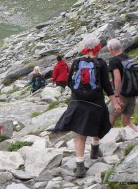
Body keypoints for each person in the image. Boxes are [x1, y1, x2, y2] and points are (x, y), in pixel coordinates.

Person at [54, 37, 121, 178]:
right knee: (98, 122)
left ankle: (80, 167)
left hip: (77, 101)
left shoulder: (77, 62)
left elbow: (69, 82)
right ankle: (95, 150)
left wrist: (78, 94)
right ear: (98, 48)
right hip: (95, 102)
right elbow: (106, 86)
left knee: (80, 134)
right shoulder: (101, 63)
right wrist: (115, 102)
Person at [107, 39, 138, 132]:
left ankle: (103, 143)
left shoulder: (113, 61)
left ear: (111, 48)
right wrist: (112, 80)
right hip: (132, 93)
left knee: (109, 119)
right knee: (126, 122)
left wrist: (116, 96)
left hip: (122, 95)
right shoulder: (127, 56)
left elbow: (118, 78)